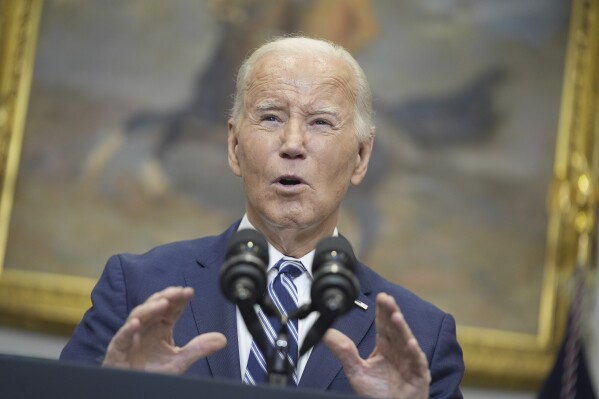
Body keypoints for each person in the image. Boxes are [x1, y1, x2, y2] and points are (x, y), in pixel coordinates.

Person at [60, 36, 464, 398]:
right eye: (271, 117)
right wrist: (113, 394)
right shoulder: (136, 289)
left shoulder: (423, 337)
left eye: (320, 122)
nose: (292, 144)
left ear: (361, 157)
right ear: (234, 146)